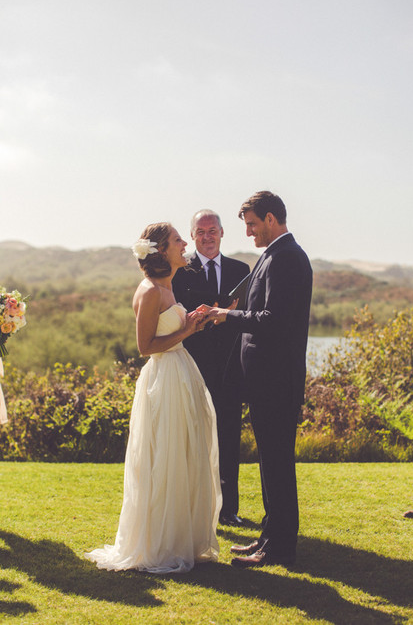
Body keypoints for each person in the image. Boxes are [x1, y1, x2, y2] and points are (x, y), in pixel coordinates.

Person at [86, 222, 222, 574]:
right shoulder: (149, 291)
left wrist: (193, 320)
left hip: (181, 373)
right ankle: (160, 544)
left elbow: (172, 331)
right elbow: (146, 347)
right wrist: (187, 328)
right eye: (178, 240)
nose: (185, 244)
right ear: (162, 250)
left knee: (185, 455)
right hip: (164, 379)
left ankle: (182, 538)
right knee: (166, 456)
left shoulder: (167, 286)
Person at [199, 191, 312, 568]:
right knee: (269, 463)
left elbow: (273, 321)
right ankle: (268, 537)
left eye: (252, 225)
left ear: (270, 219)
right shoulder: (273, 255)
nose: (248, 233)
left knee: (277, 464)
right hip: (265, 382)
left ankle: (279, 548)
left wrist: (227, 316)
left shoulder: (288, 258)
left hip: (277, 381)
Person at [172, 210, 250, 526]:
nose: (207, 236)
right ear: (192, 235)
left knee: (229, 438)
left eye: (212, 230)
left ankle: (228, 509)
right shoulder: (179, 271)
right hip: (192, 367)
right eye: (201, 231)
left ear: (222, 232)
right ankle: (195, 509)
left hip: (231, 368)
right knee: (193, 439)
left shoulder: (241, 271)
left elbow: (245, 317)